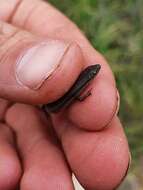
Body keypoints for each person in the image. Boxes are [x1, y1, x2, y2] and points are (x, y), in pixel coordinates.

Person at [0, 0, 130, 189]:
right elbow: (77, 96)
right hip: (52, 106)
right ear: (88, 77)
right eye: (93, 73)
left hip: (52, 106)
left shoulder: (80, 85)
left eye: (93, 73)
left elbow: (76, 95)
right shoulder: (79, 85)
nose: (94, 72)